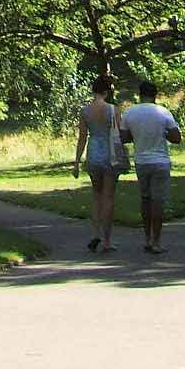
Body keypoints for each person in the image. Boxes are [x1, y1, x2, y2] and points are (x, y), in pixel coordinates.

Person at [120, 77, 182, 255]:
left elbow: (124, 138)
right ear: (155, 95)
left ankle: (147, 239)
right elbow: (177, 138)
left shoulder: (130, 113)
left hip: (141, 161)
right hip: (161, 161)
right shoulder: (163, 112)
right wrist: (164, 134)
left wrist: (136, 135)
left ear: (139, 95)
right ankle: (157, 241)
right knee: (158, 202)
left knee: (145, 200)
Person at [72, 72, 124, 253]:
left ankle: (95, 233)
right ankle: (107, 240)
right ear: (107, 91)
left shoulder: (85, 111)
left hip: (93, 152)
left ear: (93, 90)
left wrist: (77, 162)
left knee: (96, 196)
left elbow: (82, 138)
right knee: (108, 197)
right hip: (110, 154)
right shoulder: (113, 110)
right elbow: (121, 134)